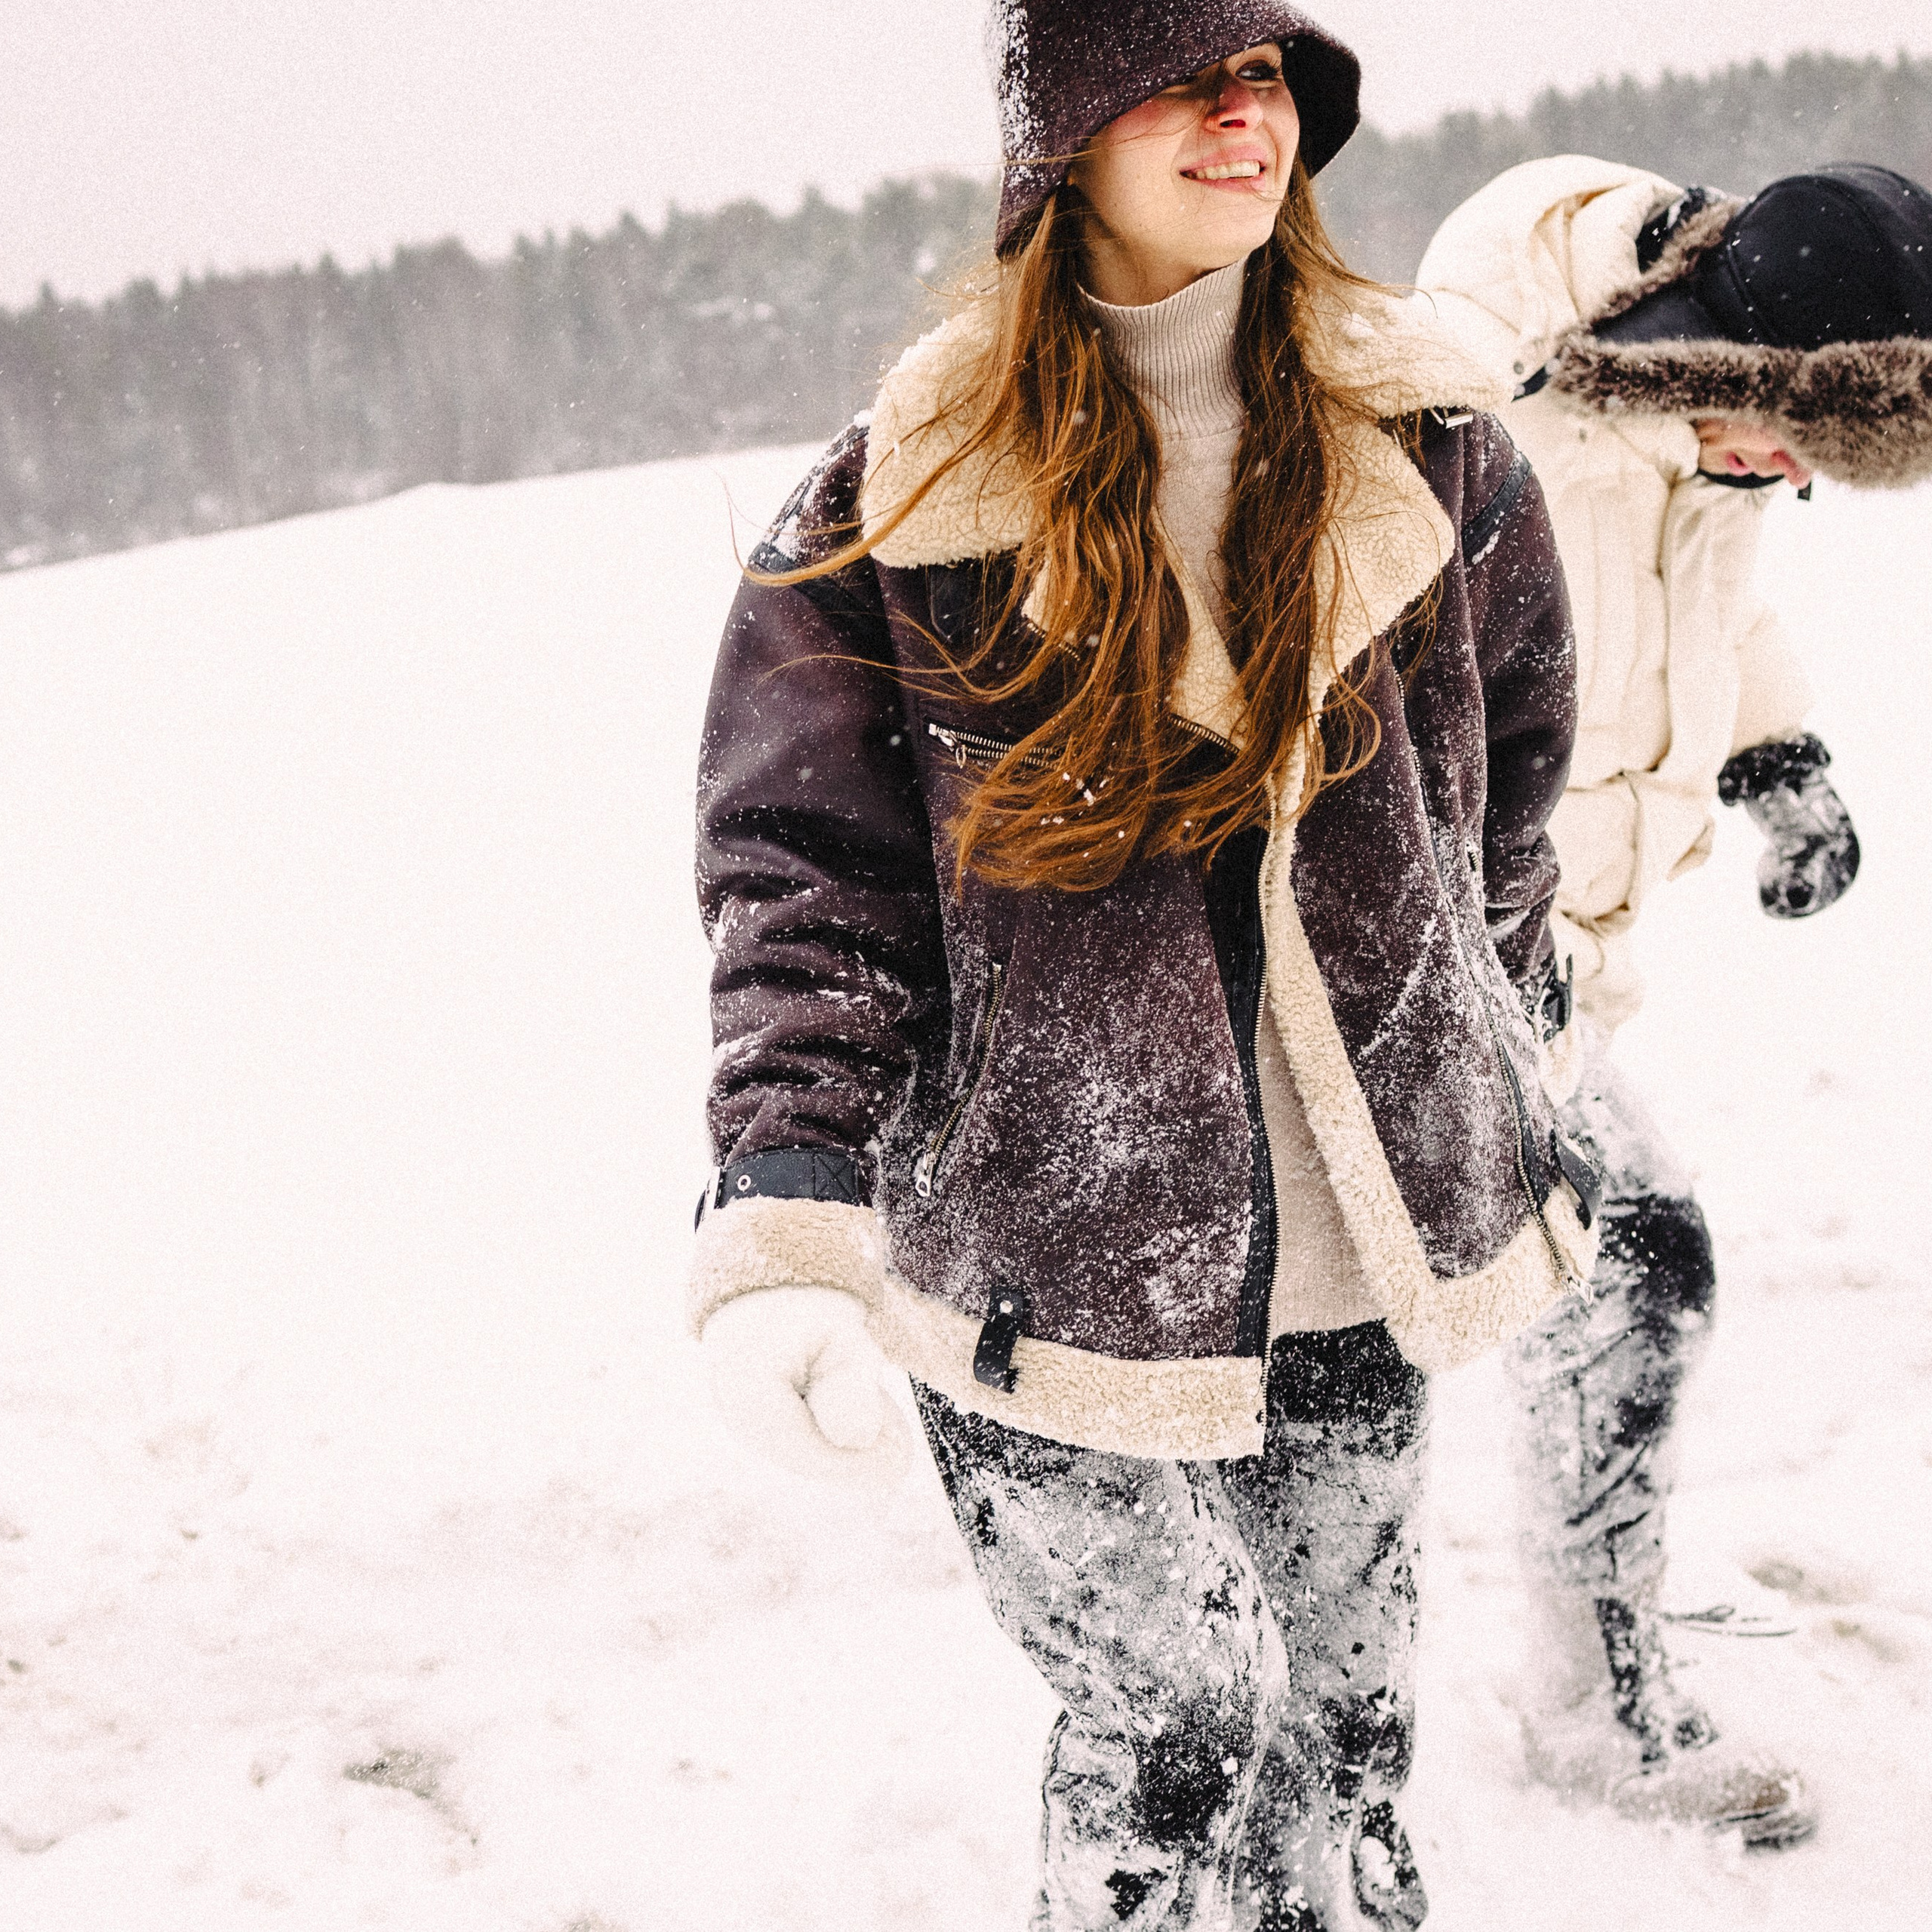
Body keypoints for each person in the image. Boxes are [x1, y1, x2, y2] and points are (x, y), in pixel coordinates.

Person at [691, 6, 1597, 1923]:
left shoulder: (1430, 443)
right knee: (1177, 1721)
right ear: (1062, 138)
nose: (1241, 114)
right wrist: (787, 1192)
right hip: (1053, 1246)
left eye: (1266, 76)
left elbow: (1515, 769)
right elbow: (802, 881)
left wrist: (1487, 1014)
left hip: (1363, 1229)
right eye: (1187, 76)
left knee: (1347, 1736)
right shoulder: (899, 500)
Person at [1417, 156, 1932, 1846]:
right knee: (1621, 1277)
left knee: (1582, 1293)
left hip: (1551, 958)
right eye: (1793, 440)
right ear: (1707, 355)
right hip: (1432, 966)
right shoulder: (1480, 422)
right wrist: (1482, 939)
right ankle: (1579, 1712)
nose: (1791, 477)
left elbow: (1710, 598)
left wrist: (1774, 752)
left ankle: (1569, 1667)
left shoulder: (1690, 433)